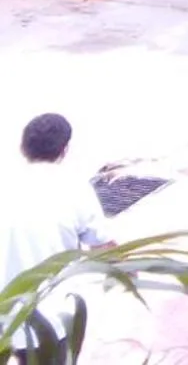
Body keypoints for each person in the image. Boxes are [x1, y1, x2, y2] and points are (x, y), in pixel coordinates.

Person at [1, 114, 109, 337]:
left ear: (22, 147)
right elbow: (104, 248)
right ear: (64, 150)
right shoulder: (75, 189)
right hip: (50, 318)